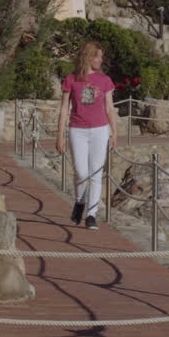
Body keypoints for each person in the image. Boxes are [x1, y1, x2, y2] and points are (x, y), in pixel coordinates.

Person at [55, 41, 119, 229]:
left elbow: (109, 107)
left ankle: (91, 215)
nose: (101, 60)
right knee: (81, 173)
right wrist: (60, 135)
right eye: (98, 56)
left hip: (100, 129)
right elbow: (64, 109)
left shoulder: (104, 80)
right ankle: (79, 201)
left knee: (96, 174)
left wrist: (114, 132)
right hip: (77, 130)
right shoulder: (71, 79)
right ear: (88, 57)